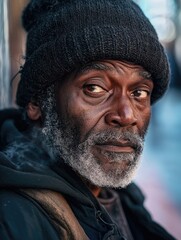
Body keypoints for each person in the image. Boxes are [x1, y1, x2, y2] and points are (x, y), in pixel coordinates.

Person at [0, 0, 176, 239]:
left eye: (139, 93)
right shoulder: (13, 219)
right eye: (94, 88)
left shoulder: (124, 198)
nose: (126, 115)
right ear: (37, 102)